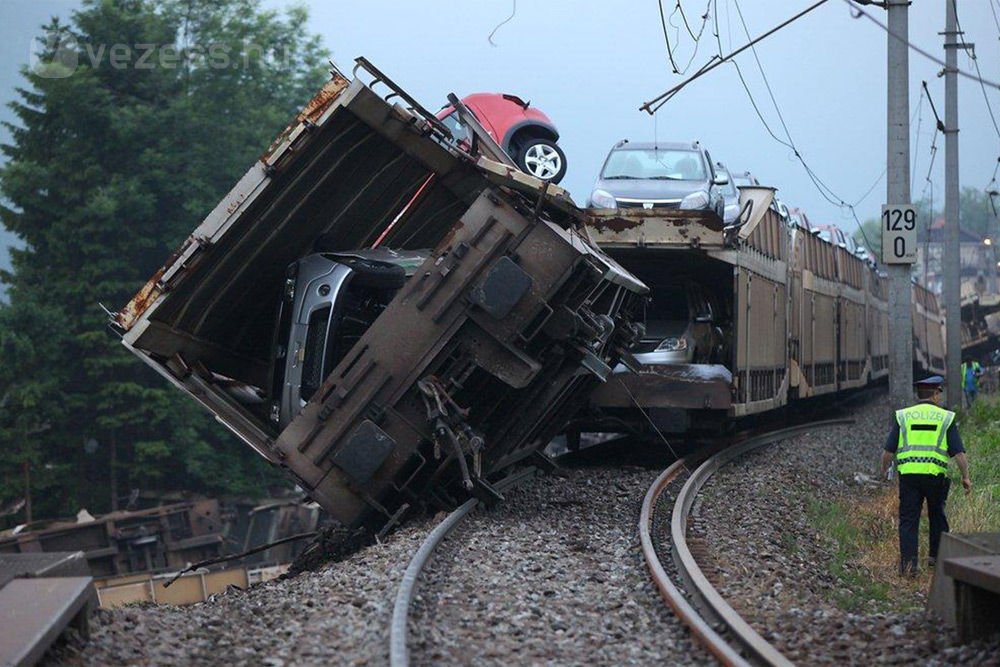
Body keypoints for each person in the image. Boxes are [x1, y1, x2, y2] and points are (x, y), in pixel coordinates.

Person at [881, 375, 972, 576]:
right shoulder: (945, 417)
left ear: (919, 395)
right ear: (935, 394)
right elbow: (958, 453)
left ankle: (909, 566)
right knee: (937, 516)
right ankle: (935, 559)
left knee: (908, 520)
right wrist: (966, 476)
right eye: (939, 393)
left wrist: (884, 469)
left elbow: (888, 450)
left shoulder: (903, 416)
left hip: (909, 477)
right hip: (935, 477)